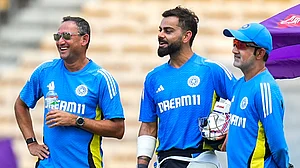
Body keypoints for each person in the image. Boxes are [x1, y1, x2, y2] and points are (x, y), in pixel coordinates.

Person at [14, 16, 125, 168]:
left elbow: (118, 129)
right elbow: (20, 105)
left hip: (84, 164)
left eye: (66, 36)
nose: (60, 42)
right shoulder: (45, 71)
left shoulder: (101, 79)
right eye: (57, 37)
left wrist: (76, 120)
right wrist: (31, 142)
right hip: (48, 164)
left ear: (84, 39)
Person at [136, 6, 236, 168]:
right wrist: (142, 164)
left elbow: (243, 98)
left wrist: (233, 130)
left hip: (200, 159)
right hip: (165, 161)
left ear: (186, 36)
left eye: (168, 31)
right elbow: (148, 125)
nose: (160, 35)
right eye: (160, 30)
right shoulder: (153, 78)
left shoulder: (211, 69)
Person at [223, 23, 290, 167]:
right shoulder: (240, 83)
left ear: (260, 53)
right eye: (234, 43)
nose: (234, 50)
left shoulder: (265, 89)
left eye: (241, 45)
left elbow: (278, 146)